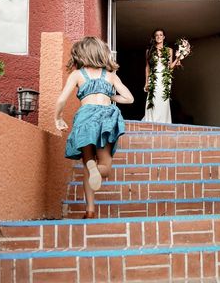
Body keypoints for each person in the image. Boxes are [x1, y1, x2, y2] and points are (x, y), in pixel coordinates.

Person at [55, 36, 133, 219]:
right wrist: (110, 97)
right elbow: (129, 98)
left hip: (85, 119)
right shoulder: (111, 76)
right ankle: (96, 170)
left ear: (81, 54)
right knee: (104, 165)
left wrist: (57, 118)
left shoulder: (77, 75)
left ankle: (90, 210)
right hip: (106, 118)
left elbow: (61, 100)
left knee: (87, 164)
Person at [143, 29, 180, 123]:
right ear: (154, 38)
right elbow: (147, 67)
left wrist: (178, 59)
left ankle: (163, 123)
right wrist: (146, 82)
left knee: (163, 101)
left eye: (161, 35)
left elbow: (170, 68)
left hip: (164, 79)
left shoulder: (169, 50)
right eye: (157, 35)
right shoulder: (149, 51)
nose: (159, 37)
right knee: (153, 100)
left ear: (164, 37)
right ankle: (151, 122)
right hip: (153, 78)